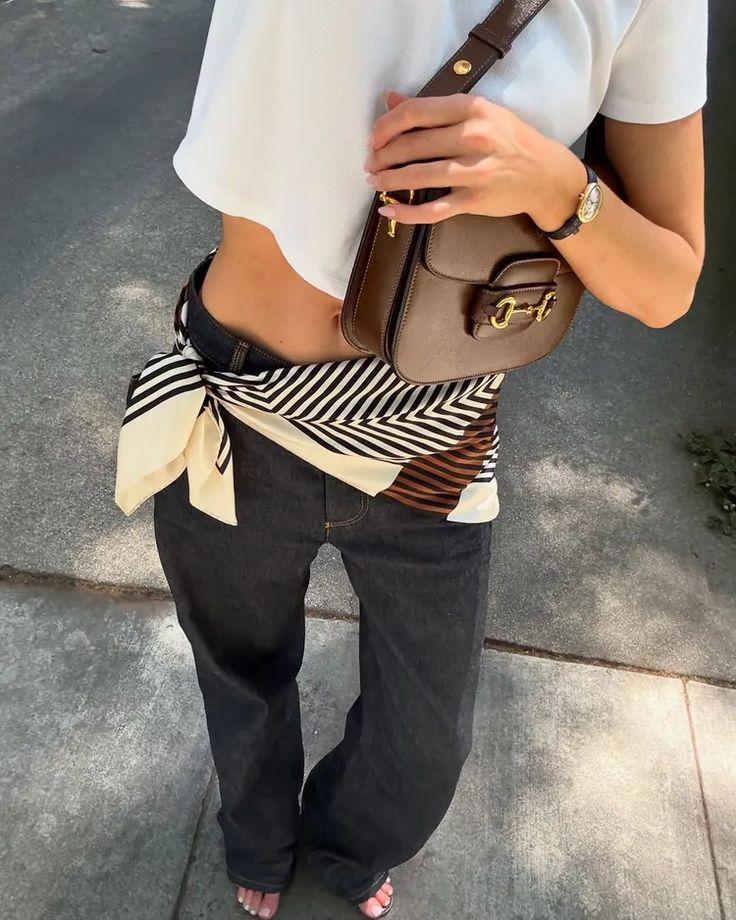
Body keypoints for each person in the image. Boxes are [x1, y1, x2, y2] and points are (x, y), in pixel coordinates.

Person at [114, 1, 708, 917]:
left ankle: (349, 843)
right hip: (237, 401)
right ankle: (260, 840)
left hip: (434, 441)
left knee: (430, 733)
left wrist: (556, 185)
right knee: (239, 667)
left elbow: (668, 282)